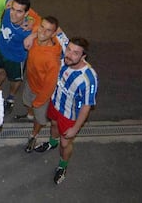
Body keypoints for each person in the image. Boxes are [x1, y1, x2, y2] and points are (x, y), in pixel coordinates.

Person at [34, 35, 98, 184]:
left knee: (65, 144)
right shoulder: (65, 56)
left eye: (75, 53)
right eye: (68, 49)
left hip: (70, 115)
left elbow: (86, 106)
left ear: (83, 56)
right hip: (55, 104)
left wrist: (76, 128)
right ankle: (52, 142)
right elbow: (54, 29)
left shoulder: (88, 78)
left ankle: (63, 166)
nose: (69, 54)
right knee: (54, 125)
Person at [0, 0, 41, 113]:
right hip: (0, 50)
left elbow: (47, 29)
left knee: (15, 80)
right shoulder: (8, 11)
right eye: (13, 9)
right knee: (0, 72)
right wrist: (9, 1)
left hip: (16, 59)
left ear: (27, 13)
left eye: (19, 11)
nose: (13, 14)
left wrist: (33, 34)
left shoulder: (28, 30)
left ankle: (11, 97)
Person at [23, 16, 61, 153]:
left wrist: (38, 102)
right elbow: (32, 18)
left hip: (40, 93)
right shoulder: (36, 37)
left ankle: (34, 134)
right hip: (30, 82)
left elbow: (50, 86)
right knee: (28, 103)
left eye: (48, 30)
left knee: (39, 118)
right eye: (42, 27)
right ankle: (30, 114)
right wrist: (32, 34)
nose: (42, 32)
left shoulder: (52, 60)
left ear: (53, 34)